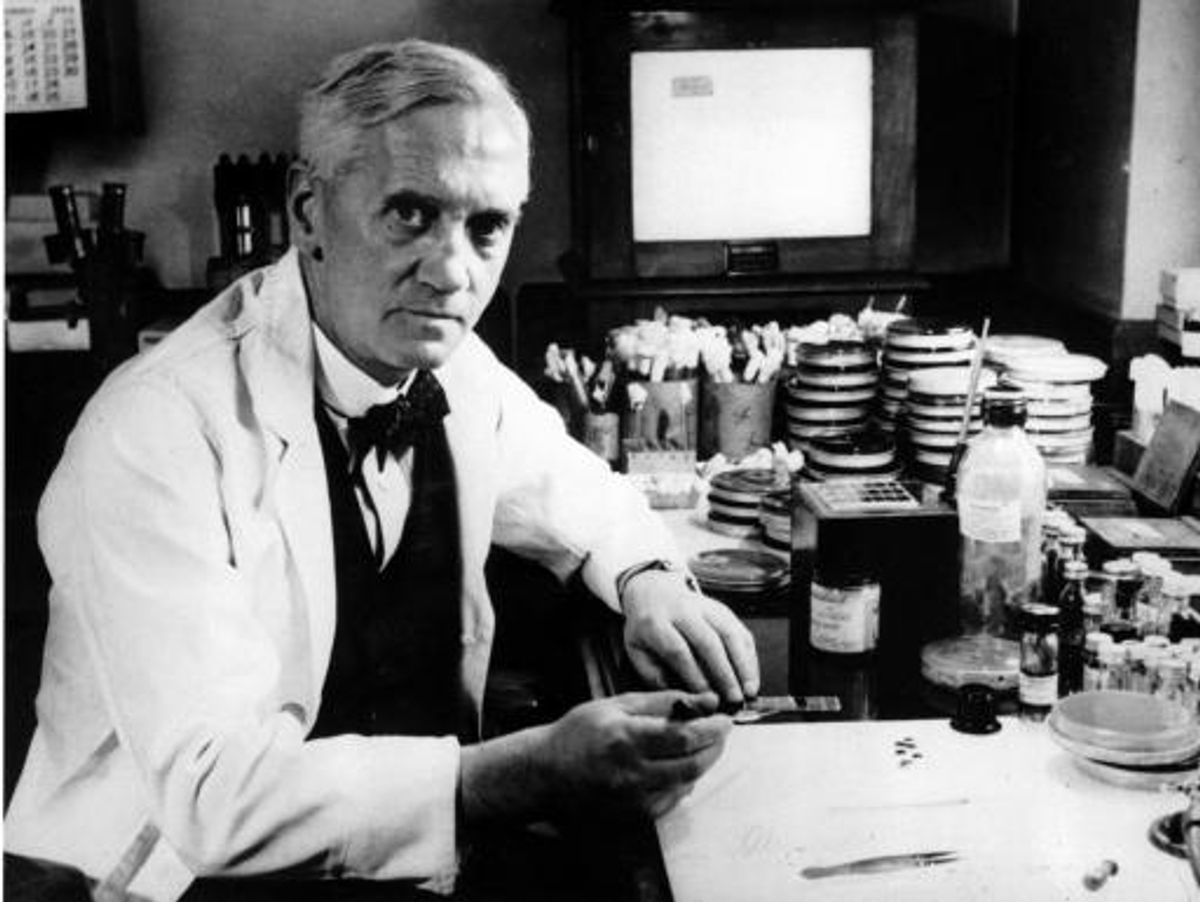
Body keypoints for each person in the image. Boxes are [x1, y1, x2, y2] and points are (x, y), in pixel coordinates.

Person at [5, 39, 759, 901]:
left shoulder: (446, 362)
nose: (452, 272)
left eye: (488, 227)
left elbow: (573, 486)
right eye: (409, 213)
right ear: (307, 210)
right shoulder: (154, 429)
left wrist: (652, 580)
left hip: (392, 861)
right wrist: (528, 771)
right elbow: (212, 800)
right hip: (155, 877)